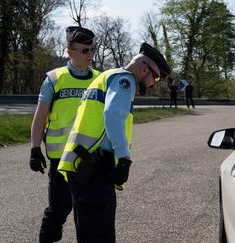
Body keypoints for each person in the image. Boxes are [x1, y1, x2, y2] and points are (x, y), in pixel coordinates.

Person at [57, 42, 170, 242]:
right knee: (100, 235)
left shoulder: (107, 76)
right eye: (156, 77)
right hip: (94, 167)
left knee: (88, 233)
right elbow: (112, 114)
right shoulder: (125, 80)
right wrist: (124, 158)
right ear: (144, 68)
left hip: (82, 164)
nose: (154, 83)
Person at [29, 26, 100, 243]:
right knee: (58, 210)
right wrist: (34, 149)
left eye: (92, 50)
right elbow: (41, 115)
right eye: (85, 51)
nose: (90, 55)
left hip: (91, 158)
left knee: (89, 214)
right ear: (70, 53)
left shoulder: (100, 79)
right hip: (60, 159)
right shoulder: (54, 78)